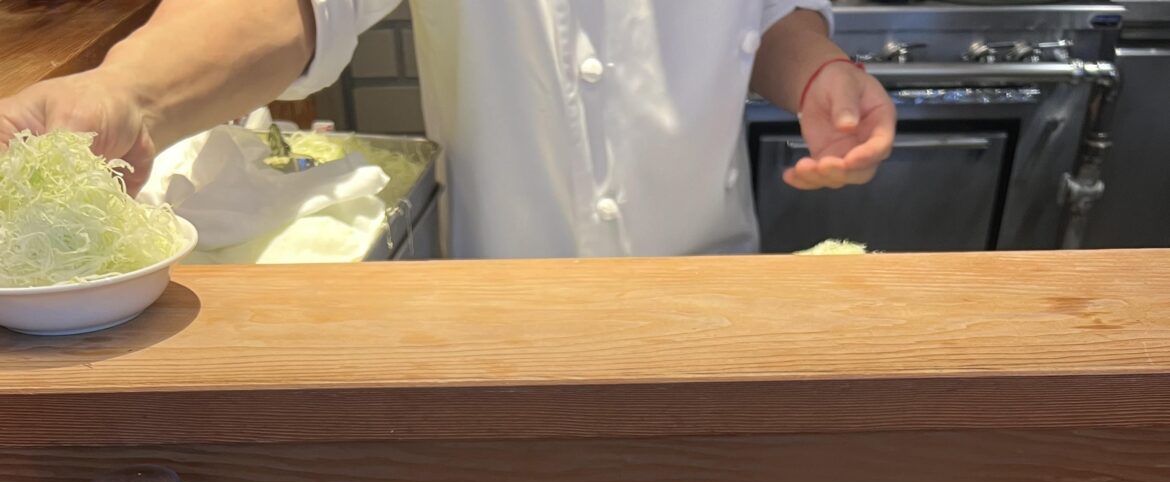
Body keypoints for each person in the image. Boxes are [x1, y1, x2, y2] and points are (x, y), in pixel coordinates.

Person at [0, 0, 895, 259]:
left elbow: (772, 17)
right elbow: (286, 10)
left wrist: (816, 70)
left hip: (710, 286)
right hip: (503, 301)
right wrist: (129, 90)